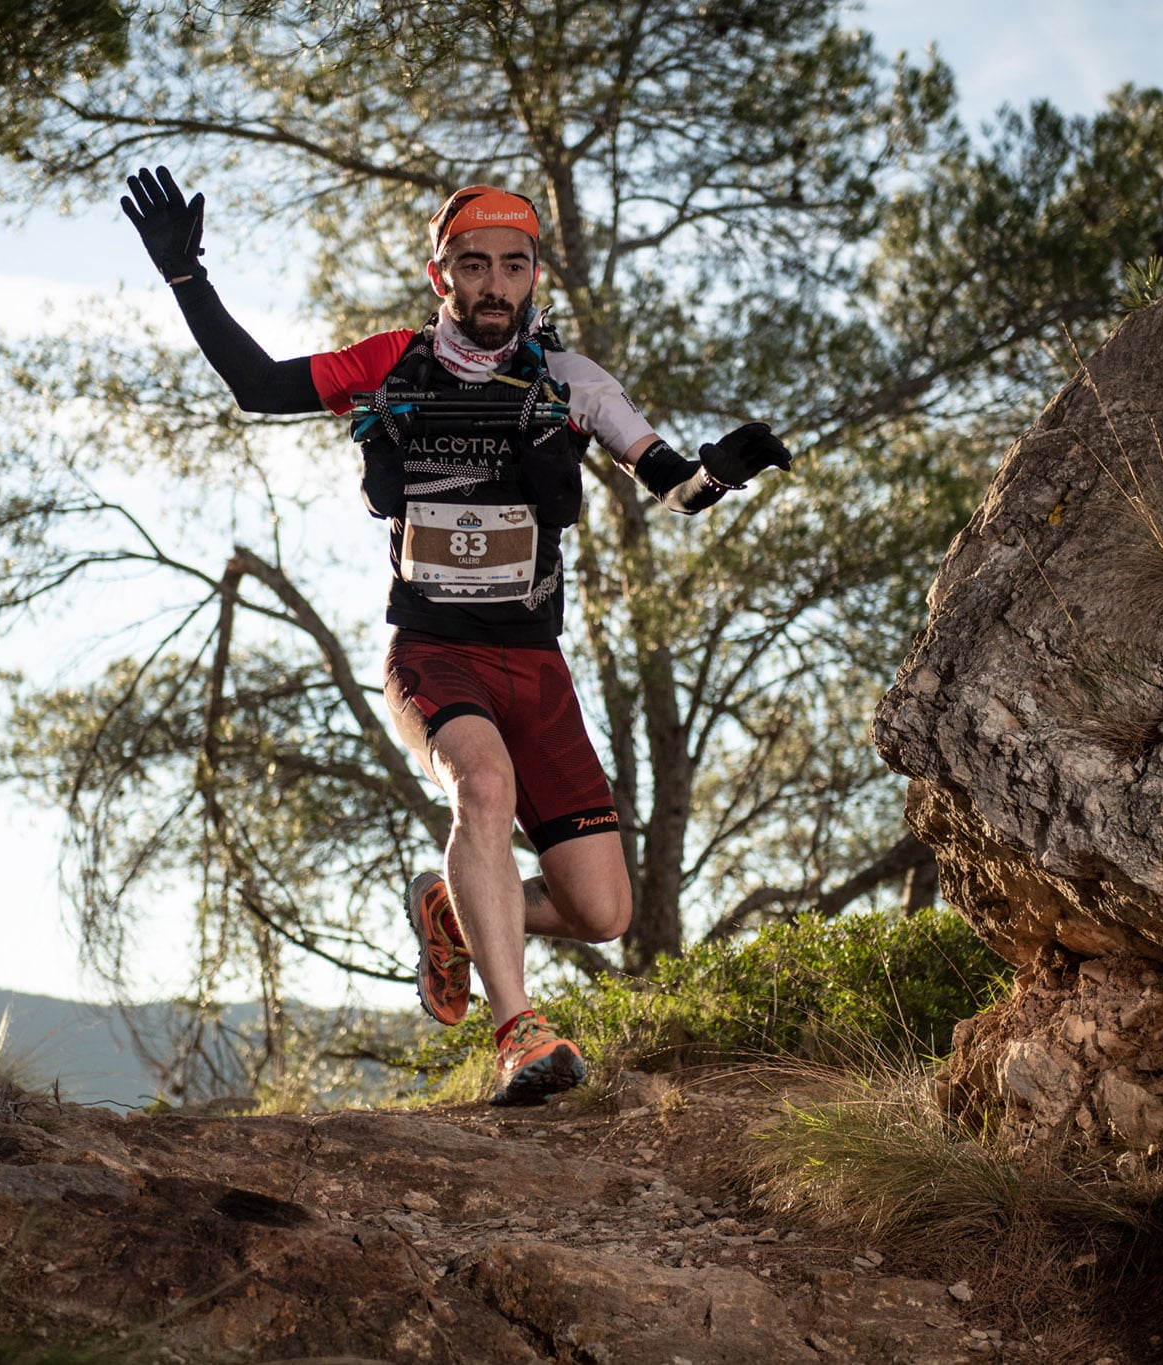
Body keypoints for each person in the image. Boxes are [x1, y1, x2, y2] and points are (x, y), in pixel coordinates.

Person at [122, 166, 792, 1105]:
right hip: (433, 652)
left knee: (602, 910)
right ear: (441, 276)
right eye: (471, 265)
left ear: (532, 278)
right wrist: (189, 282)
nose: (492, 283)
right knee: (482, 785)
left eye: (511, 265)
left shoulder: (572, 381)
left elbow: (671, 483)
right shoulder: (392, 361)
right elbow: (257, 386)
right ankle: (519, 1031)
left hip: (536, 665)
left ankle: (454, 903)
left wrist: (720, 471)